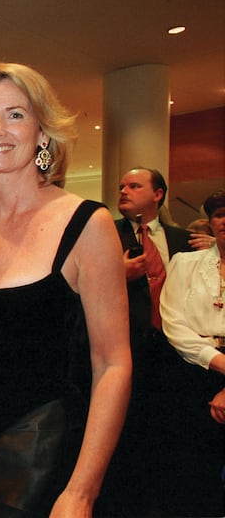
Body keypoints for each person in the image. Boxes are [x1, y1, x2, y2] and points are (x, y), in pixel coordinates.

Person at [0, 63, 131, 517]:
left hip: (45, 456)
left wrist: (82, 491)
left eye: (15, 114)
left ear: (43, 132)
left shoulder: (88, 223)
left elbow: (112, 364)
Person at [101, 167, 196, 515]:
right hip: (126, 353)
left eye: (134, 186)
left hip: (176, 359)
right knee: (127, 442)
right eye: (121, 186)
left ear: (158, 194)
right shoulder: (104, 234)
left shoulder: (185, 241)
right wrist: (117, 275)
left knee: (173, 442)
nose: (124, 191)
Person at [158, 189, 225, 516]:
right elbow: (173, 322)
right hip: (194, 369)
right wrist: (215, 360)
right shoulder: (185, 262)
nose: (224, 221)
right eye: (219, 215)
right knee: (192, 470)